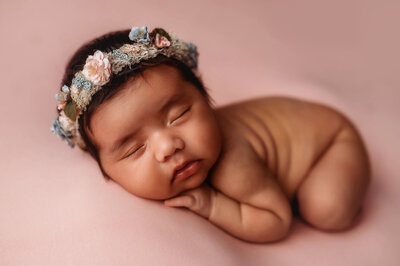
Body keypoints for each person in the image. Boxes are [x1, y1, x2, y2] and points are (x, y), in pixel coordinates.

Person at [51, 26, 371, 243]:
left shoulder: (231, 164)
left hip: (330, 141)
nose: (168, 146)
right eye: (135, 149)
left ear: (206, 99)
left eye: (180, 115)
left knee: (326, 209)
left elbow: (277, 220)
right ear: (104, 168)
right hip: (302, 127)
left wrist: (213, 204)